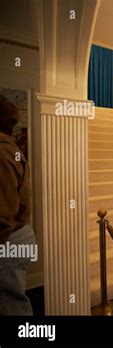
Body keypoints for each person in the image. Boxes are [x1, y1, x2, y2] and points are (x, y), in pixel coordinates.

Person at [0, 95, 36, 315]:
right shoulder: (11, 148)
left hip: (10, 238)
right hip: (19, 234)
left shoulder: (2, 153)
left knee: (11, 308)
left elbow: (3, 215)